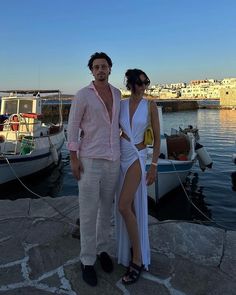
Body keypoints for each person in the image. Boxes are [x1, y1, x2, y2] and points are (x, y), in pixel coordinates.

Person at [67, 52, 121, 287]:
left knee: (106, 210)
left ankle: (102, 251)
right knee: (88, 212)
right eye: (96, 67)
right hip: (89, 159)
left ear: (110, 69)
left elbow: (120, 124)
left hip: (113, 159)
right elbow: (72, 126)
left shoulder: (118, 94)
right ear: (91, 71)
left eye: (104, 66)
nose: (101, 70)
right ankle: (87, 260)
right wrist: (73, 158)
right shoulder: (82, 95)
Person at [116, 69, 160, 284]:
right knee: (130, 207)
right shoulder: (121, 105)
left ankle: (138, 258)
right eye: (139, 83)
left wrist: (153, 166)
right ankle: (134, 247)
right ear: (131, 84)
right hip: (121, 155)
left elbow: (158, 140)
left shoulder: (150, 105)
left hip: (138, 156)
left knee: (123, 206)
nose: (143, 87)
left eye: (145, 83)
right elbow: (112, 129)